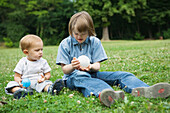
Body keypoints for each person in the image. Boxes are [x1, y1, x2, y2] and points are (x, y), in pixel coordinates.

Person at [56, 11, 170, 107]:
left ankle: (146, 90)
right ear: (71, 30)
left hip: (92, 74)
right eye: (76, 33)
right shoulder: (65, 44)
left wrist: (90, 66)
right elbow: (65, 70)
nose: (79, 37)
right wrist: (73, 66)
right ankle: (110, 94)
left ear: (89, 31)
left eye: (83, 33)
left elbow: (97, 66)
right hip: (73, 77)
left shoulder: (94, 41)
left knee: (122, 75)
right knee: (80, 76)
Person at [5, 34, 64, 99]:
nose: (41, 52)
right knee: (11, 84)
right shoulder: (22, 62)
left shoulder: (43, 61)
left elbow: (48, 74)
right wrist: (19, 81)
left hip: (38, 83)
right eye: (37, 50)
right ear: (26, 52)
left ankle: (50, 89)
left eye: (41, 49)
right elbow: (17, 76)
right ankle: (19, 91)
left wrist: (44, 78)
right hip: (24, 85)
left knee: (46, 83)